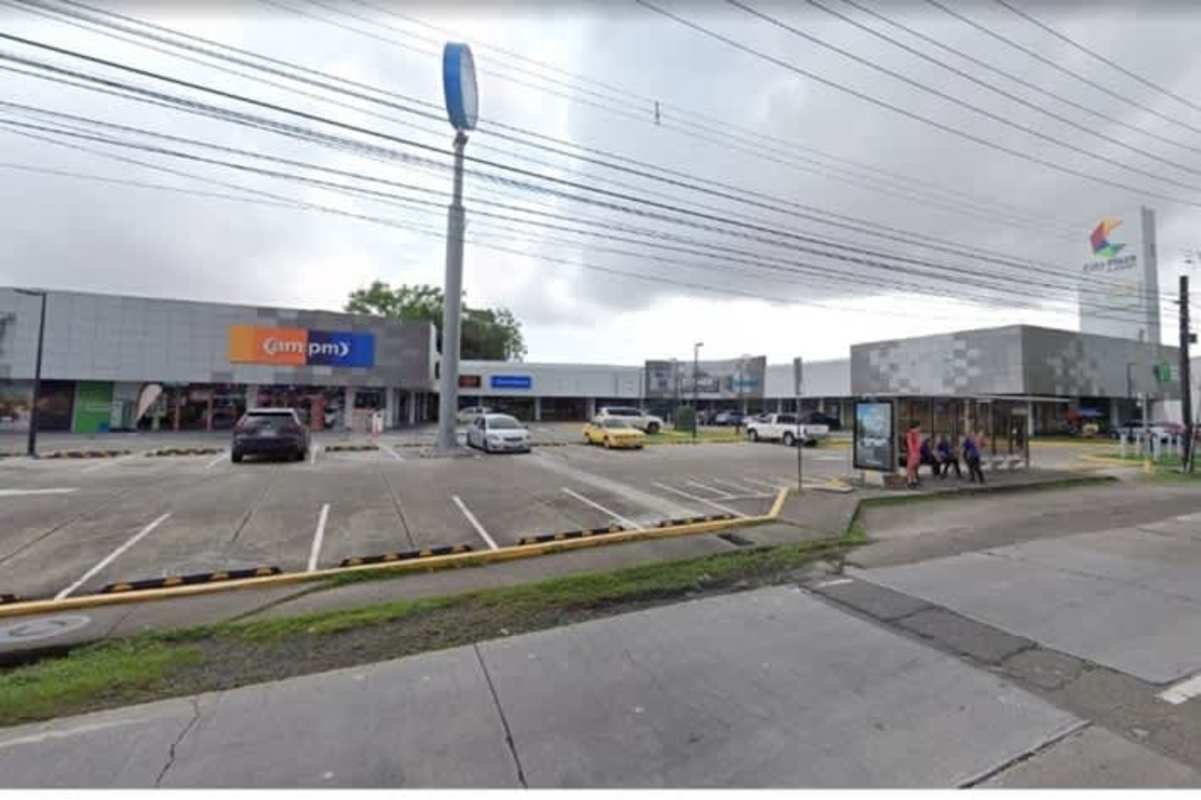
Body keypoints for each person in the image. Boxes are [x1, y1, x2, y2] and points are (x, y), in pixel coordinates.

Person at [905, 420, 922, 488]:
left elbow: (910, 445)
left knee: (910, 468)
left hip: (913, 453)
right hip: (916, 453)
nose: (920, 428)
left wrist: (912, 452)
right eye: (919, 427)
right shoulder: (916, 435)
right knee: (913, 468)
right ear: (915, 427)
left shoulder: (911, 434)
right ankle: (913, 481)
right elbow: (918, 444)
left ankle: (911, 482)